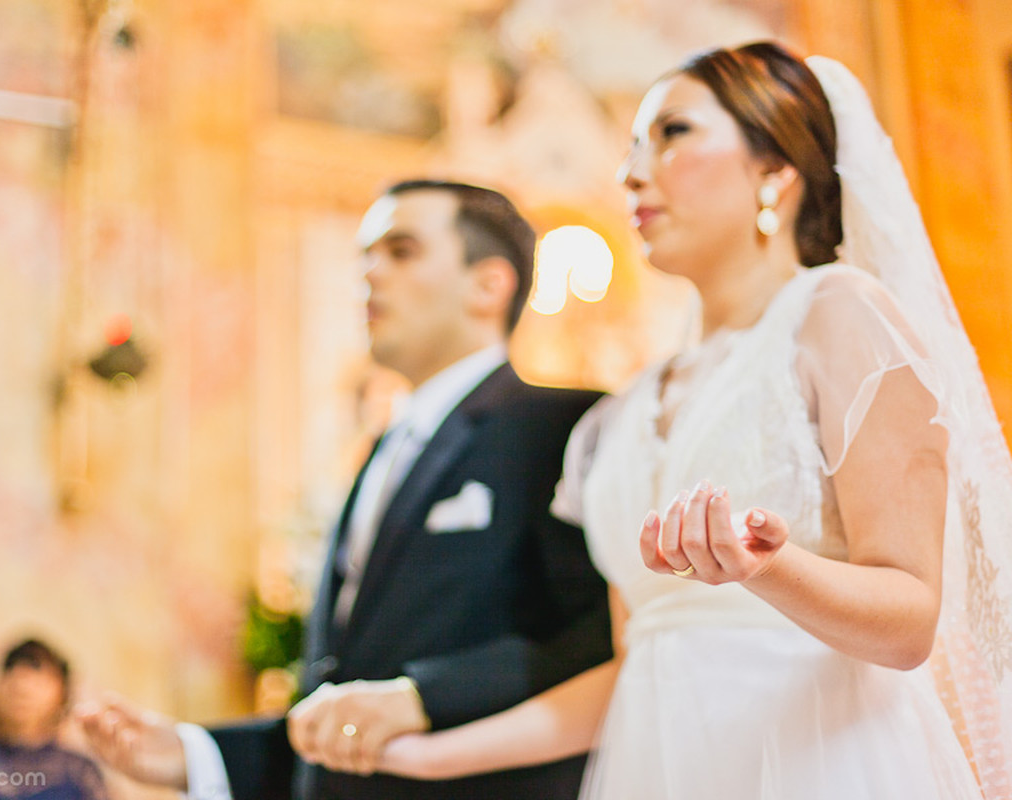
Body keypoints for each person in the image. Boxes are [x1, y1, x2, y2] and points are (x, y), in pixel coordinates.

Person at [359, 42, 1012, 799]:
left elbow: (910, 621)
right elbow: (637, 660)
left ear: (774, 169)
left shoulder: (837, 314)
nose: (630, 172)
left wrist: (770, 567)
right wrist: (430, 754)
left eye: (672, 134)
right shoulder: (615, 418)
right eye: (632, 147)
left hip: (823, 766)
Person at [78, 179, 613, 800]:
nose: (368, 273)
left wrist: (423, 695)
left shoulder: (562, 427)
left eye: (401, 250)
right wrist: (193, 754)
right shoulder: (386, 447)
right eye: (364, 255)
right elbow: (349, 695)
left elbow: (600, 644)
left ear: (489, 284)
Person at [0, 638, 109, 800]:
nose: (23, 687)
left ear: (62, 696)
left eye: (38, 681)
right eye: (13, 675)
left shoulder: (81, 775)